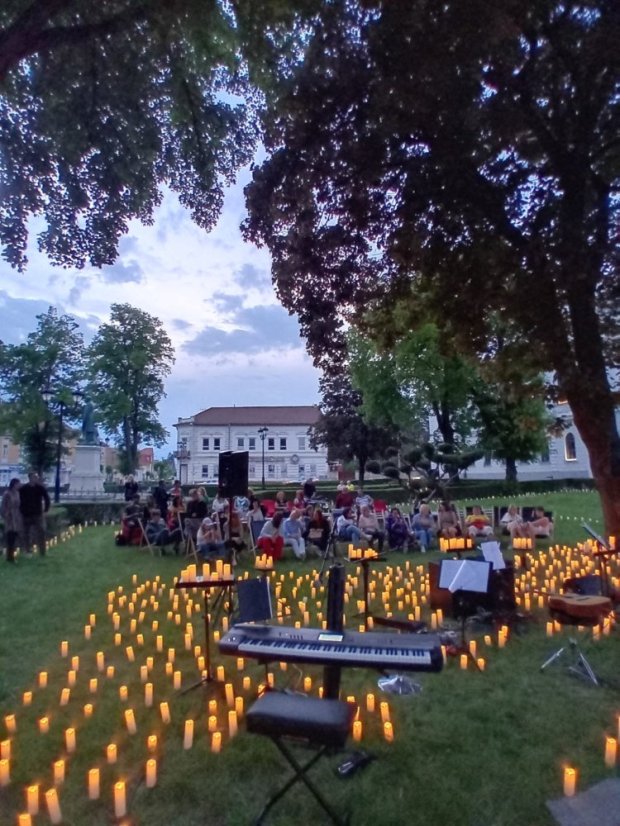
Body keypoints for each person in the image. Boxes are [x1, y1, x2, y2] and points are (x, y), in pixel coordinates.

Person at [19, 472, 50, 556]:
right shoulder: (24, 489)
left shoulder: (40, 488)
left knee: (41, 532)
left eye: (36, 477)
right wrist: (22, 510)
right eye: (34, 477)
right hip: (26, 514)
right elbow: (20, 500)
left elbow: (46, 498)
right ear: (30, 478)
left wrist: (46, 509)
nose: (35, 479)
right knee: (26, 533)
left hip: (37, 514)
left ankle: (42, 551)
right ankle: (27, 550)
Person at [1, 478, 22, 563]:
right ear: (14, 484)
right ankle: (10, 557)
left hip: (16, 517)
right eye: (18, 484)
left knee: (15, 536)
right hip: (10, 518)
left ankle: (12, 555)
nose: (19, 485)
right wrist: (5, 515)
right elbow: (2, 506)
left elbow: (19, 505)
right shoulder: (7, 494)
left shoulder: (17, 493)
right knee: (10, 537)